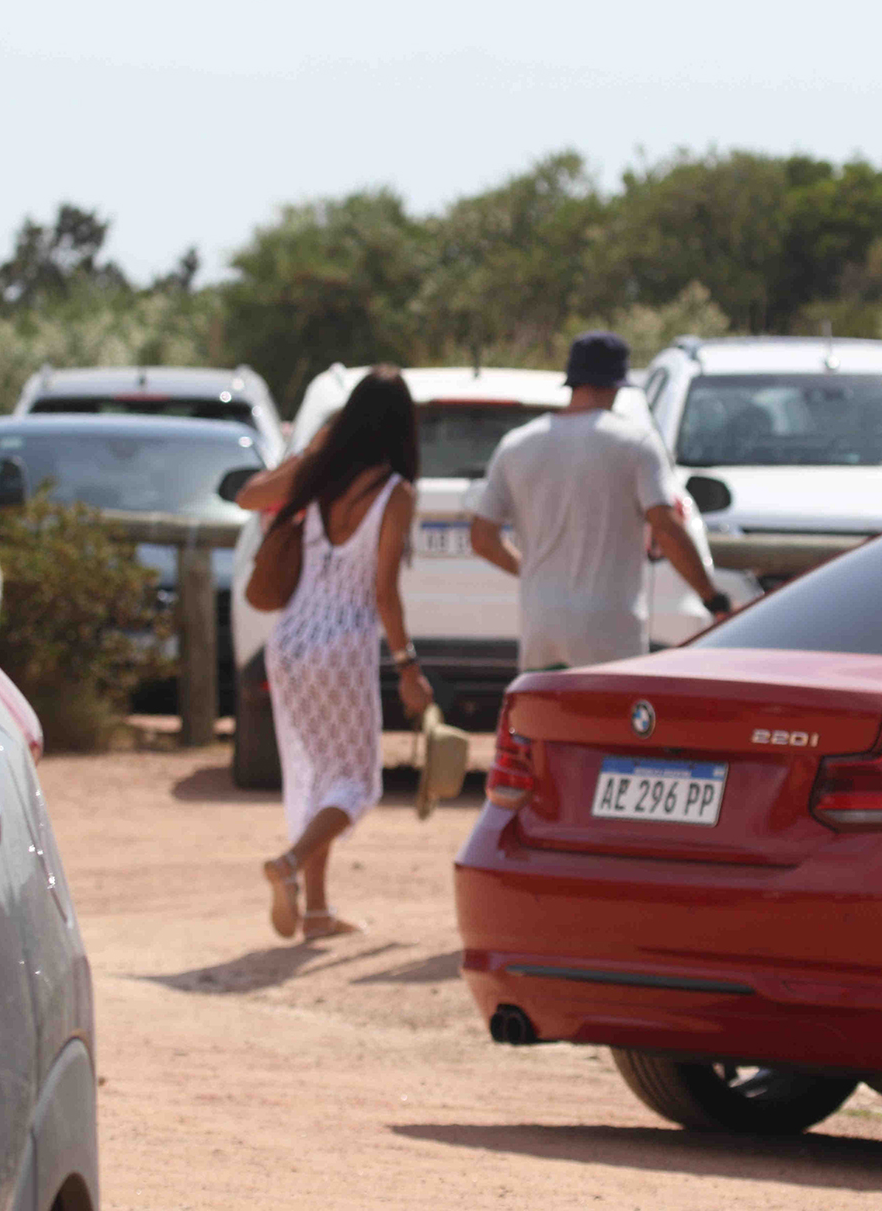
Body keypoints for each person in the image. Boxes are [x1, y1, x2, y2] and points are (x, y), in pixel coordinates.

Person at [235, 367, 434, 941]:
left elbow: (250, 495)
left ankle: (317, 912)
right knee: (357, 784)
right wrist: (408, 669)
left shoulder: (320, 475)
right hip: (342, 648)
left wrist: (313, 452)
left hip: (289, 640)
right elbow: (384, 593)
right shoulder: (396, 493)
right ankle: (290, 863)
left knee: (321, 775)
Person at [469, 330, 732, 670]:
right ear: (616, 384)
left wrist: (533, 573)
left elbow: (481, 537)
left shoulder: (517, 445)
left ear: (573, 380)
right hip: (610, 631)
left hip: (541, 627)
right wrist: (713, 598)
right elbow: (666, 528)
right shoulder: (634, 443)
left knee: (547, 723)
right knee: (607, 723)